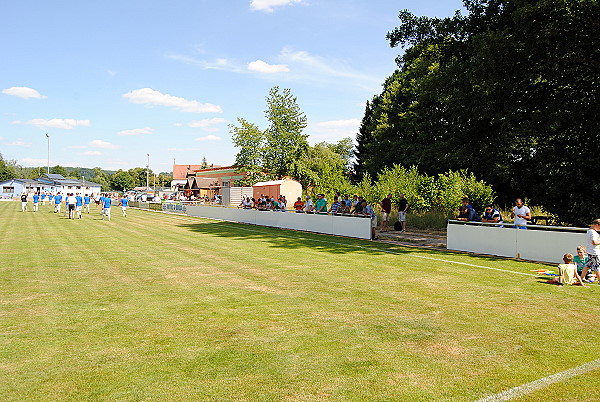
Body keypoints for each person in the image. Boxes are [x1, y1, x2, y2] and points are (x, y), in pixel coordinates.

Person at [581, 219, 600, 283]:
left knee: (587, 265)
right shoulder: (593, 232)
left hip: (590, 251)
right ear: (596, 225)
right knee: (597, 266)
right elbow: (594, 242)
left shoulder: (590, 231)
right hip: (594, 252)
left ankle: (581, 278)